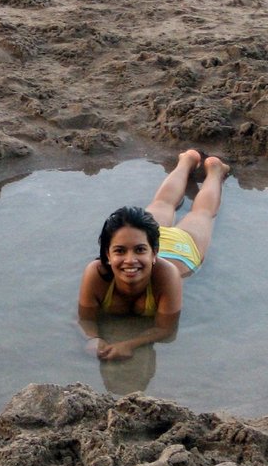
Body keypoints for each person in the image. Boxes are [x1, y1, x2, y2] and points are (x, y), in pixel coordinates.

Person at [78, 149, 230, 361]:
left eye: (138, 251)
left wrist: (129, 344)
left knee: (202, 213)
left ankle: (215, 170)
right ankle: (187, 160)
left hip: (181, 250)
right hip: (140, 238)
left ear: (154, 252)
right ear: (107, 254)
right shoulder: (96, 272)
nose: (129, 260)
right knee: (162, 203)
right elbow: (85, 319)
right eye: (119, 251)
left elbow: (166, 329)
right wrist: (92, 338)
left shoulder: (168, 275)